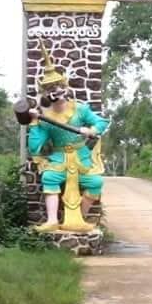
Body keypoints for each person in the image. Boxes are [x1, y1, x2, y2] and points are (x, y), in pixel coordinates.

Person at [28, 44, 109, 232]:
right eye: (50, 88)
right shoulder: (45, 117)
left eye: (59, 86)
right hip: (59, 158)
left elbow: (101, 122)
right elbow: (35, 147)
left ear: (65, 87)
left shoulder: (80, 109)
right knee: (49, 177)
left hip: (82, 156)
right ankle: (52, 220)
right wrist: (34, 123)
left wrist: (91, 130)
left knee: (96, 183)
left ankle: (80, 218)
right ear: (45, 93)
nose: (56, 90)